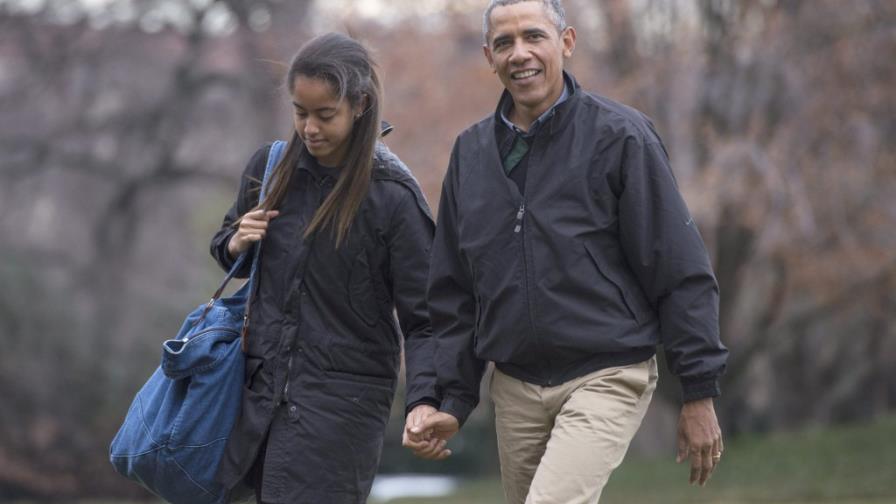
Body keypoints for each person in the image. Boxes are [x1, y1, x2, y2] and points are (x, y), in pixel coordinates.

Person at [403, 1, 729, 502]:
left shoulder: (621, 136)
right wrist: (447, 398)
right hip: (515, 385)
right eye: (505, 43)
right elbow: (452, 295)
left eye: (534, 36)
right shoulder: (469, 155)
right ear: (489, 56)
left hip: (608, 371)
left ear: (567, 43)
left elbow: (679, 268)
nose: (521, 54)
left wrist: (699, 390)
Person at [209, 33, 438, 504]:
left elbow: (427, 317)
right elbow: (225, 247)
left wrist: (427, 399)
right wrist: (236, 241)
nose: (309, 127)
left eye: (325, 114)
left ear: (360, 105)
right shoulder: (270, 168)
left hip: (341, 408)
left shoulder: (393, 197)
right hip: (254, 399)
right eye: (300, 112)